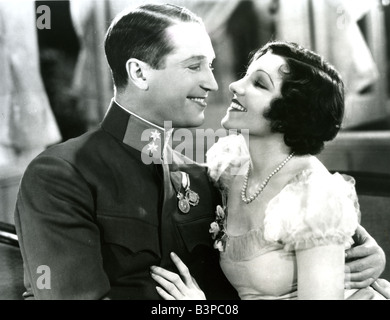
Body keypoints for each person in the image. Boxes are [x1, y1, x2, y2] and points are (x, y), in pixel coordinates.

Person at [14, 4, 384, 300]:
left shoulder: (206, 176)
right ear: (140, 74)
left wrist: (365, 250)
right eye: (194, 66)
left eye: (209, 64)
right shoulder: (61, 174)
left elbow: (299, 222)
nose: (213, 82)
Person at [149, 40, 389, 300]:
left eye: (259, 84)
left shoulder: (314, 197)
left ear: (290, 113)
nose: (234, 86)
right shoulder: (231, 165)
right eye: (246, 76)